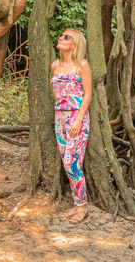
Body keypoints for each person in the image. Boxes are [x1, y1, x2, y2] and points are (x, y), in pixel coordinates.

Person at [51, 28, 92, 224]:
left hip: (77, 118)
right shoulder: (55, 65)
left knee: (72, 162)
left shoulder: (81, 65)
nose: (61, 38)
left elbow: (88, 94)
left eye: (66, 37)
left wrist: (77, 119)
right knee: (67, 164)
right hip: (59, 118)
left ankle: (82, 206)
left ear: (75, 44)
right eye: (61, 35)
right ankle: (77, 203)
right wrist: (60, 117)